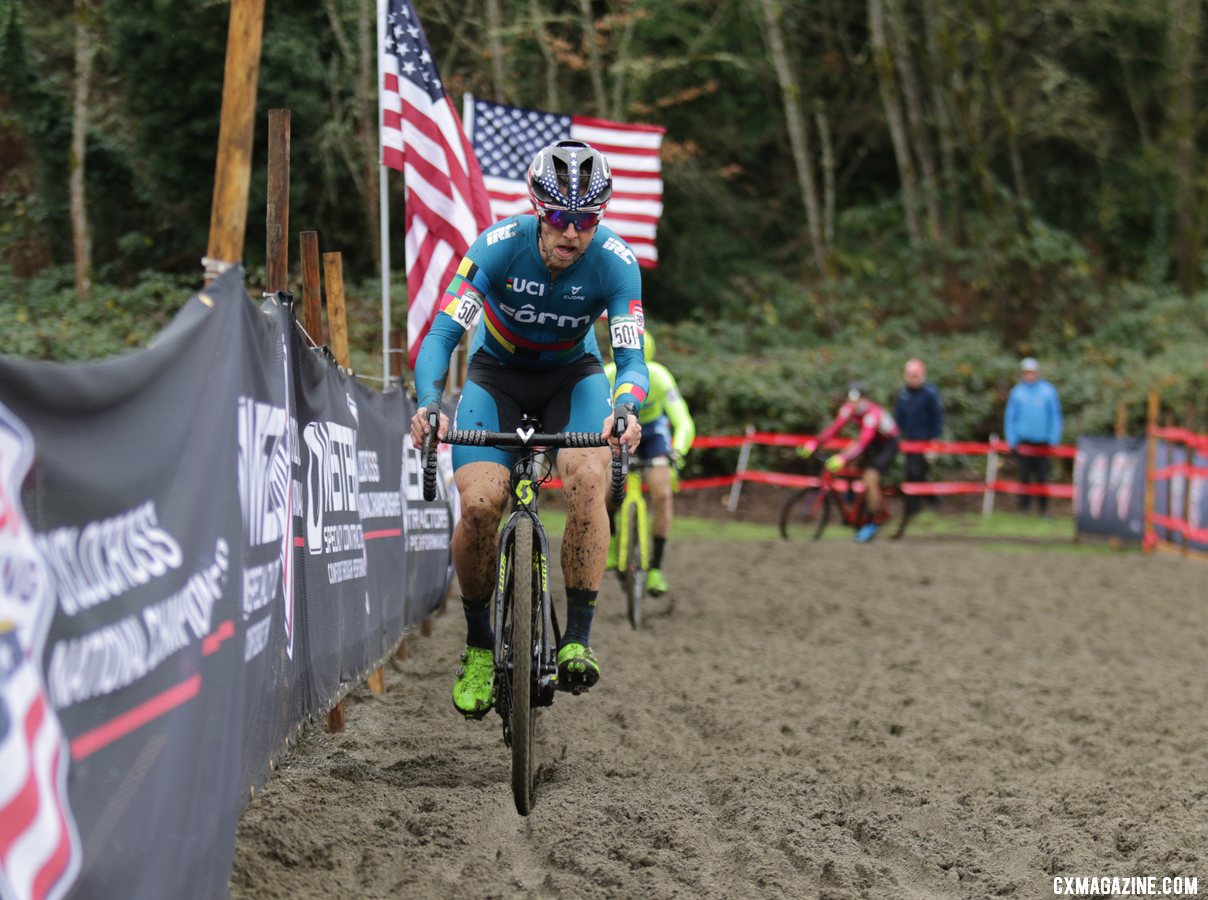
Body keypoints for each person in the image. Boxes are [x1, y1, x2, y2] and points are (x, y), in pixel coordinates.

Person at [410, 140, 648, 719]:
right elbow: (442, 336)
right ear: (539, 210)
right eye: (561, 218)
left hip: (574, 379)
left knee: (590, 481)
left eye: (586, 219)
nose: (572, 233)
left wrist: (625, 408)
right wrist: (430, 402)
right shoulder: (497, 249)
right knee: (482, 507)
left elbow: (631, 359)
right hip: (497, 379)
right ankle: (477, 647)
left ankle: (578, 639)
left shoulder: (616, 263)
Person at [603, 330, 696, 596]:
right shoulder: (608, 376)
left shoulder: (660, 378)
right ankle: (610, 545)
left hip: (653, 433)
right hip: (620, 432)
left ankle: (655, 569)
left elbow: (683, 422)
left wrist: (677, 451)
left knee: (663, 494)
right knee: (607, 491)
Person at [799, 382, 900, 542]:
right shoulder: (848, 409)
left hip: (887, 444)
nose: (852, 404)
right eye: (851, 400)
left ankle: (875, 520)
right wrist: (814, 443)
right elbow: (833, 429)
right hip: (871, 440)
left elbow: (863, 442)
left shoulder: (872, 415)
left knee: (870, 477)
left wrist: (842, 458)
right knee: (849, 463)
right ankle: (853, 499)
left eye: (856, 401)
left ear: (864, 400)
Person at [1004, 357, 1063, 515]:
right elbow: (1010, 417)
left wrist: (1053, 439)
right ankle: (1024, 508)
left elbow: (1055, 416)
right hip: (1023, 443)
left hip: (1043, 443)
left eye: (1032, 372)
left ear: (1036, 373)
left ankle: (1043, 509)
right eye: (1027, 372)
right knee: (1024, 477)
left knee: (1042, 477)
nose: (1029, 375)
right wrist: (1012, 441)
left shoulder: (1047, 391)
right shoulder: (1017, 392)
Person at [893, 358, 944, 518]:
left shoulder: (930, 393)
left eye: (915, 375)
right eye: (909, 375)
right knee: (913, 473)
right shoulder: (903, 394)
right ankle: (926, 502)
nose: (912, 378)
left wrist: (934, 440)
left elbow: (937, 418)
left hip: (924, 441)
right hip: (908, 442)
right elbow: (898, 418)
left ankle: (918, 506)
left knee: (917, 473)